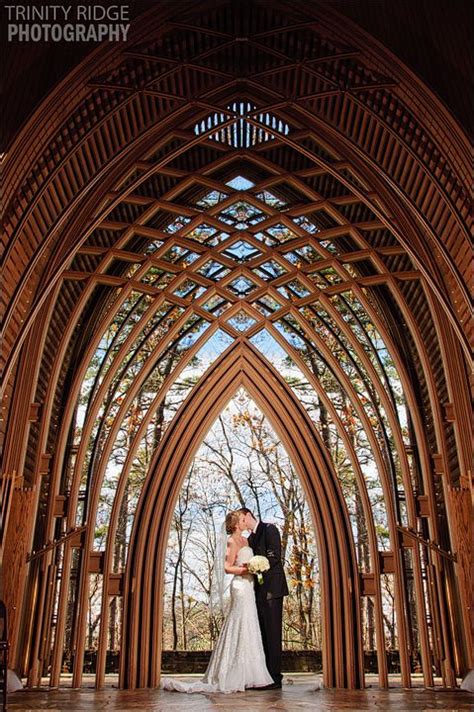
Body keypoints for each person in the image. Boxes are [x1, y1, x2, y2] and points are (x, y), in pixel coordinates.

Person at [161, 510, 273, 694]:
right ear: (237, 524)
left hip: (250, 587)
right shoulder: (231, 542)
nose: (246, 522)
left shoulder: (247, 540)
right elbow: (228, 568)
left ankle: (252, 674)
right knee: (239, 622)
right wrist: (248, 569)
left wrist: (255, 568)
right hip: (240, 587)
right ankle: (230, 673)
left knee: (250, 625)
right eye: (243, 520)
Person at [237, 507, 289, 690]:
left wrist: (254, 564)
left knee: (273, 633)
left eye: (242, 518)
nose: (241, 522)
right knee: (263, 634)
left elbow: (274, 556)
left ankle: (275, 677)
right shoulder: (250, 539)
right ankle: (264, 675)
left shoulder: (270, 529)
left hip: (273, 591)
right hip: (257, 592)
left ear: (249, 515)